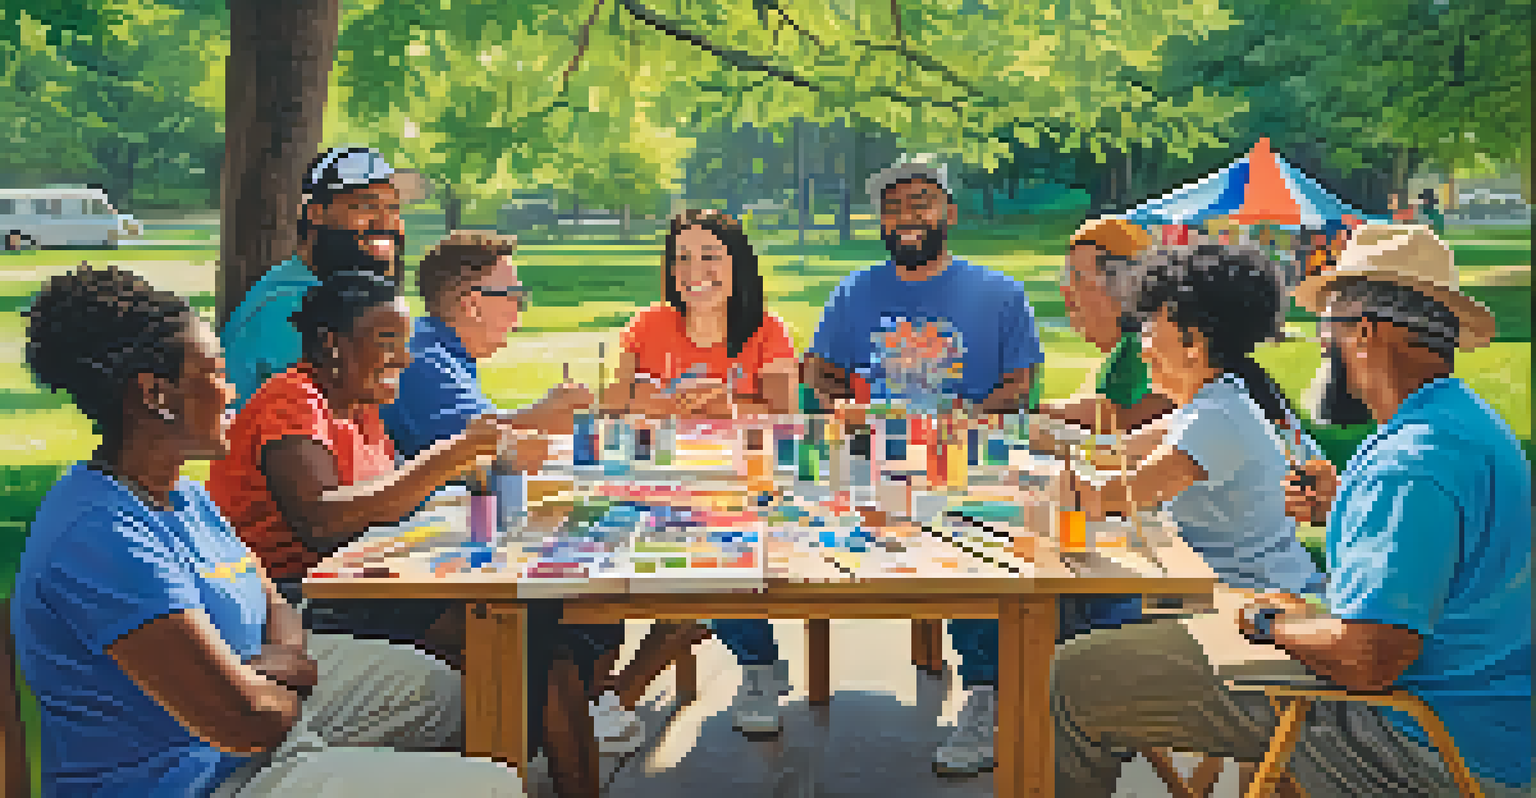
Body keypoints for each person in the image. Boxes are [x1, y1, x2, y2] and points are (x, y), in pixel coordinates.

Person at [1052, 225, 1530, 797]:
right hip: (1485, 731)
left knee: (1076, 676)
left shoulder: (1412, 460)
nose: (1322, 347)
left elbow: (1367, 659)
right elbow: (1442, 552)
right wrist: (1343, 505)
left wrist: (1270, 622)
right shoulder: (1463, 426)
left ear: (1366, 334)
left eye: (1328, 326)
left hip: (1415, 742)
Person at [12, 265, 523, 797]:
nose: (231, 390)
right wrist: (274, 681)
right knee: (491, 788)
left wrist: (281, 664)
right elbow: (247, 723)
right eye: (213, 373)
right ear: (153, 395)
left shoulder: (182, 496)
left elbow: (271, 595)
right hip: (200, 779)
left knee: (439, 695)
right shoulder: (101, 536)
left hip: (267, 710)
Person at [800, 156, 1047, 775]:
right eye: (893, 206)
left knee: (964, 541)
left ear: (949, 214)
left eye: (921, 203)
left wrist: (968, 417)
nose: (906, 217)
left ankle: (987, 693)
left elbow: (1021, 385)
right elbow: (819, 374)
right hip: (872, 460)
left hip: (969, 462)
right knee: (780, 528)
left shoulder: (999, 293)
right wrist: (840, 407)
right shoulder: (854, 292)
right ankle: (761, 670)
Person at [379, 231, 644, 795]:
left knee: (593, 582)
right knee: (566, 621)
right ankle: (565, 732)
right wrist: (546, 414)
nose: (519, 311)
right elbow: (494, 450)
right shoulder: (428, 361)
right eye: (513, 295)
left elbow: (494, 451)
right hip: (416, 558)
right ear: (472, 301)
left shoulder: (444, 355)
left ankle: (582, 720)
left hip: (446, 535)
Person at [209, 272, 513, 667]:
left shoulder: (359, 406)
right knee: (496, 630)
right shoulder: (292, 402)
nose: (405, 358)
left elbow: (392, 498)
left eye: (404, 343)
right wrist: (449, 456)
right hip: (293, 606)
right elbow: (322, 523)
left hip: (356, 585)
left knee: (538, 628)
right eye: (387, 342)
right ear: (331, 344)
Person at [602, 209, 797, 737]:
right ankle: (600, 681)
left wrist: (723, 402)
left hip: (744, 479)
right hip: (659, 476)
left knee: (716, 539)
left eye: (710, 256)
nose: (694, 270)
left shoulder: (766, 329)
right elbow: (614, 402)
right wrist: (686, 404)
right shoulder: (649, 323)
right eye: (682, 258)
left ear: (737, 264)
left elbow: (785, 415)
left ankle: (758, 667)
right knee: (602, 541)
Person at [222, 146, 405, 409]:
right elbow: (315, 433)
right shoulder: (288, 307)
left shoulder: (327, 294)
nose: (386, 221)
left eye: (394, 208)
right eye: (366, 205)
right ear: (315, 213)